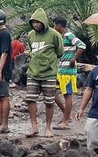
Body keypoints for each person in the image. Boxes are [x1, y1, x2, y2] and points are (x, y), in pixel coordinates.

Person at [25, 8, 64, 138]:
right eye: (33, 22)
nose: (35, 24)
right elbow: (31, 50)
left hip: (49, 73)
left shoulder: (54, 35)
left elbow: (60, 52)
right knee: (30, 99)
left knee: (49, 101)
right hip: (33, 72)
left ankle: (48, 128)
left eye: (38, 22)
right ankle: (34, 126)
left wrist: (48, 61)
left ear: (44, 22)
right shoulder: (30, 35)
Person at [53, 17, 86, 130]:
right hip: (61, 70)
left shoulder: (69, 35)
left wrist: (73, 59)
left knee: (67, 95)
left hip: (68, 71)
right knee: (53, 93)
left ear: (59, 26)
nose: (54, 28)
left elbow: (82, 45)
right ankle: (66, 116)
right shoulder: (61, 37)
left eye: (55, 26)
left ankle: (66, 121)